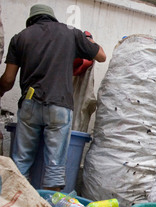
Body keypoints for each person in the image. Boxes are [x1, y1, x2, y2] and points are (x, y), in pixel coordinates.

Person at [0, 4, 106, 191]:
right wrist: (84, 42)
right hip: (59, 105)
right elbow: (101, 56)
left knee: (21, 163)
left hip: (30, 103)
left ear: (31, 21)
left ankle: (19, 206)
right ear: (52, 18)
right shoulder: (71, 33)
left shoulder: (20, 37)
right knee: (55, 168)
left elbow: (8, 80)